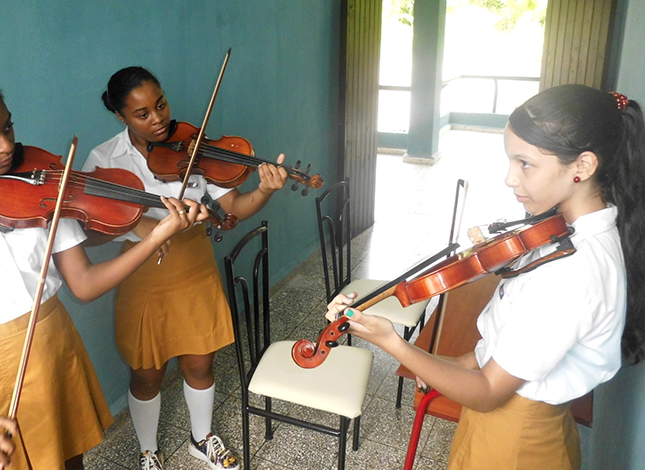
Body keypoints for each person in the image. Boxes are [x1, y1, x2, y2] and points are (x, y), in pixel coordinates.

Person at [0, 45, 209, 470]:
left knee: (71, 461)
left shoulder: (41, 183)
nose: (8, 147)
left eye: (8, 127)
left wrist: (153, 237)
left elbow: (85, 284)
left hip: (56, 340)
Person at [327, 84, 645, 469]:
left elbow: (489, 391)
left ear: (582, 166)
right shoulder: (566, 231)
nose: (510, 178)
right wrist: (449, 366)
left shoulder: (572, 273)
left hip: (515, 442)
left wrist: (392, 343)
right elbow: (501, 352)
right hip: (511, 425)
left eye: (524, 163)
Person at [82, 66, 288, 470]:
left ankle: (201, 438)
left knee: (200, 363)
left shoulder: (193, 147)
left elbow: (236, 208)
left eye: (160, 105)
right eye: (142, 114)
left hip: (193, 267)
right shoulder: (102, 159)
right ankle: (148, 450)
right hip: (141, 275)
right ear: (120, 117)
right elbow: (91, 235)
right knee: (147, 373)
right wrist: (144, 224)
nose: (157, 118)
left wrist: (263, 189)